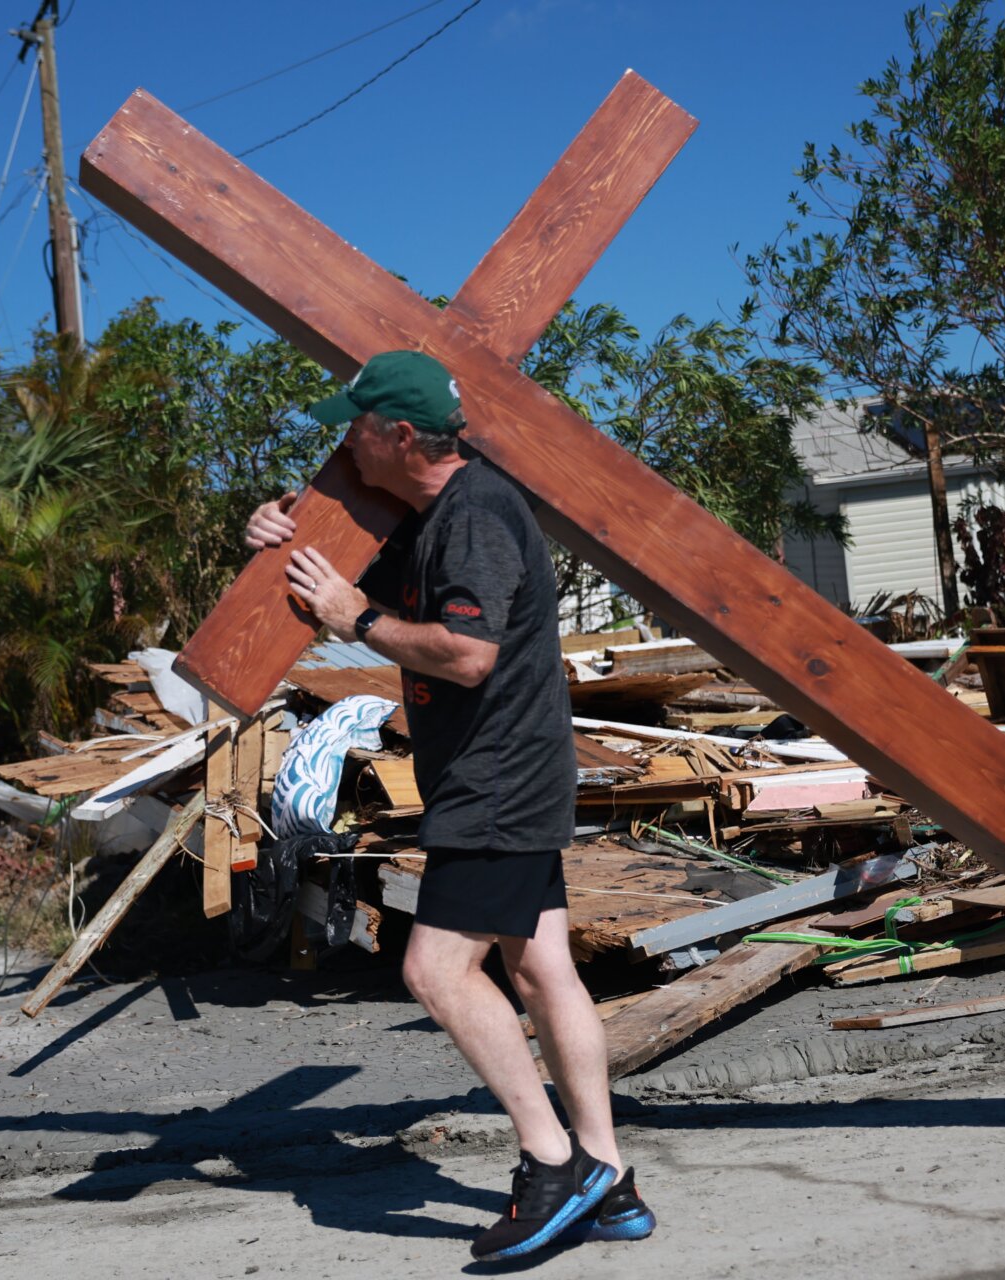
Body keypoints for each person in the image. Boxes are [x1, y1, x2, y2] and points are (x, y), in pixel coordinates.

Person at [244, 350, 654, 1260]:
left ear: (397, 436)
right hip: (504, 772)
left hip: (497, 781)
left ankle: (555, 1163)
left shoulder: (473, 518)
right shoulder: (434, 524)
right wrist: (280, 538)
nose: (342, 439)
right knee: (543, 971)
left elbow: (468, 656)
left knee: (434, 973)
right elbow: (356, 589)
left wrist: (355, 618)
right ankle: (611, 1179)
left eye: (354, 426)